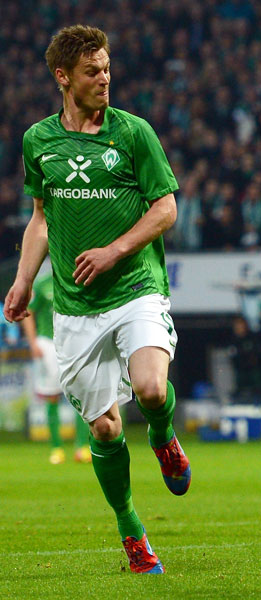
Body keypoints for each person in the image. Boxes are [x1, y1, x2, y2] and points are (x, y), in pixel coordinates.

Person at [3, 25, 189, 574]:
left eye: (107, 68)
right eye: (92, 71)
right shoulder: (38, 141)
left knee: (153, 390)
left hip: (136, 287)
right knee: (105, 428)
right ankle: (131, 528)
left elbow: (165, 209)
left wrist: (114, 250)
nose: (104, 77)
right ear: (64, 77)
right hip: (76, 306)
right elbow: (40, 218)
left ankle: (163, 436)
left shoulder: (134, 134)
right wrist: (20, 281)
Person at [21, 272, 92, 464]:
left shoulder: (79, 279)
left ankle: (82, 447)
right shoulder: (43, 284)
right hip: (48, 343)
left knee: (81, 394)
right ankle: (56, 448)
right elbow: (28, 312)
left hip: (75, 343)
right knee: (52, 395)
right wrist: (33, 342)